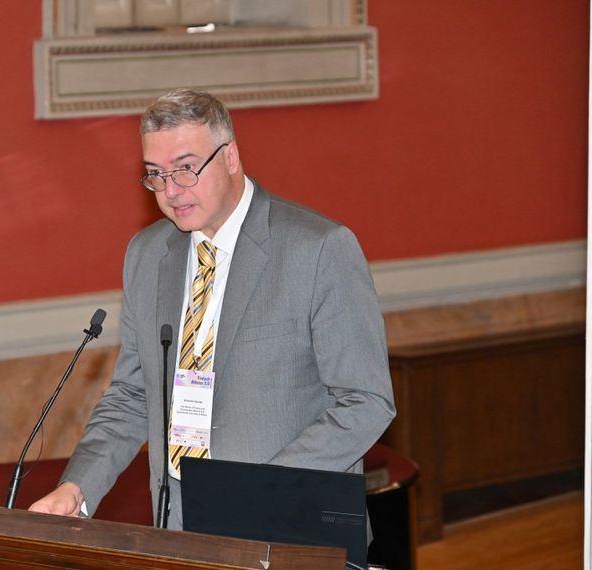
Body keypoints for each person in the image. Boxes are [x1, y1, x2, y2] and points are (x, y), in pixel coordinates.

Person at [29, 88, 396, 529]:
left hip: (290, 521)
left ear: (231, 157)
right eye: (156, 174)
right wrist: (77, 487)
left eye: (186, 169)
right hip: (178, 523)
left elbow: (366, 401)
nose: (171, 191)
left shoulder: (317, 249)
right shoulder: (147, 255)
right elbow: (133, 395)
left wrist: (264, 488)